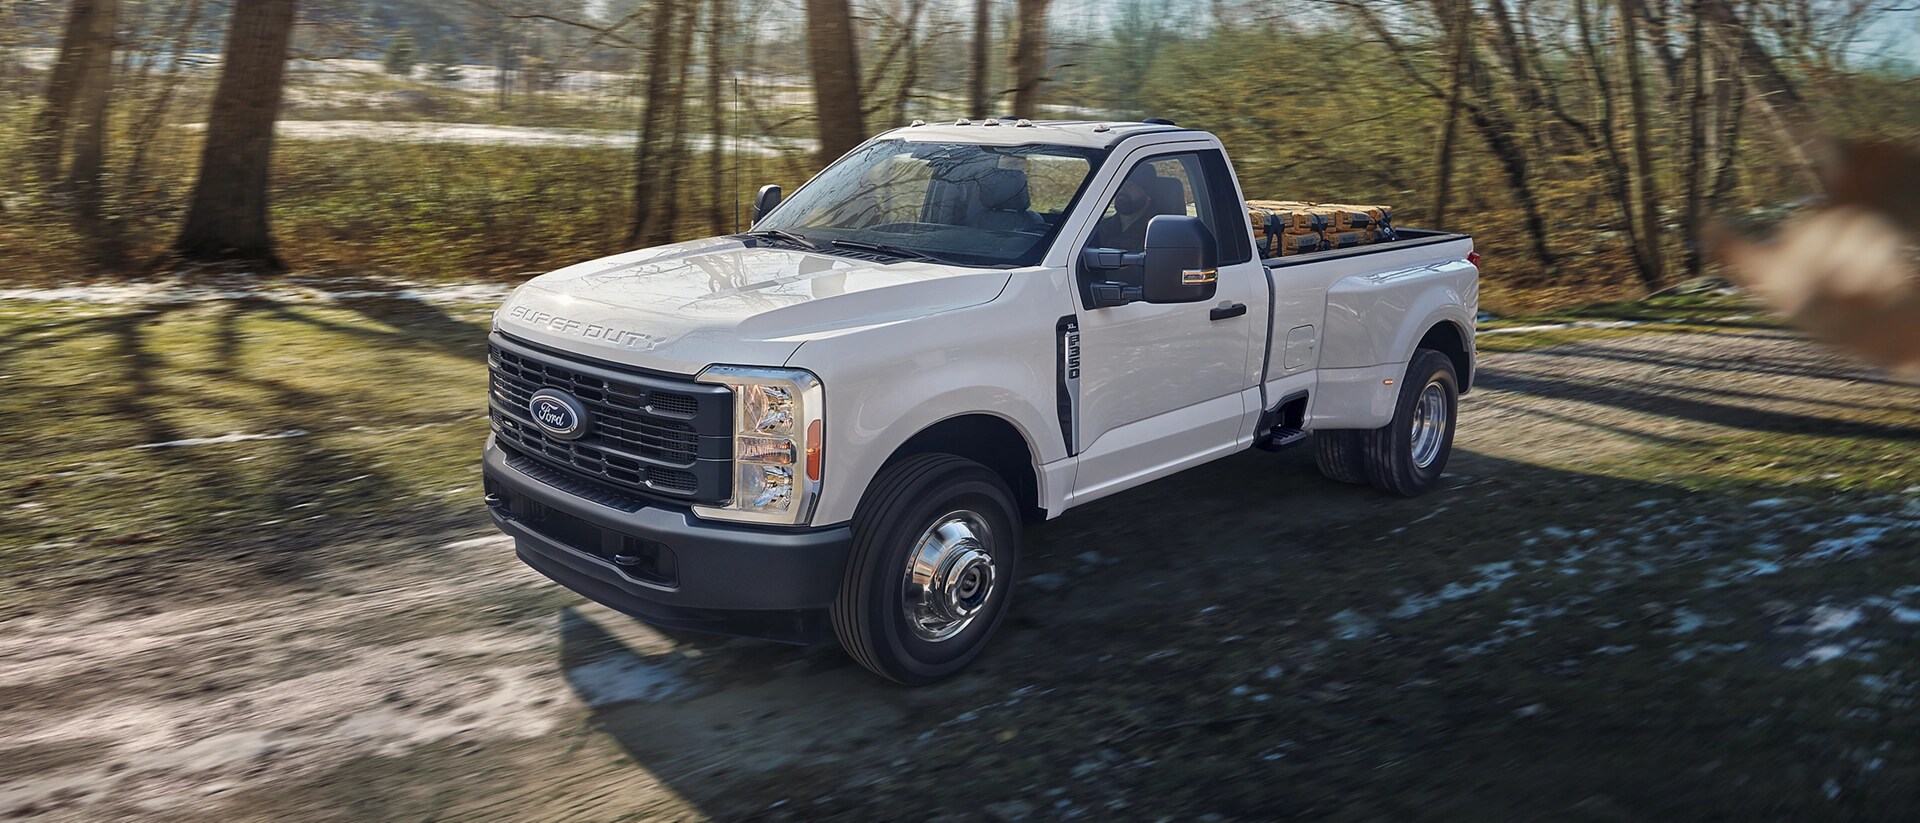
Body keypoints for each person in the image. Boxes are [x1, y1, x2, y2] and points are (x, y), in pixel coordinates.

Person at [1092, 169, 1159, 251]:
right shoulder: (1099, 228)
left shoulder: (1155, 233)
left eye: (1131, 185)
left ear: (1148, 198)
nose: (1123, 188)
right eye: (1121, 184)